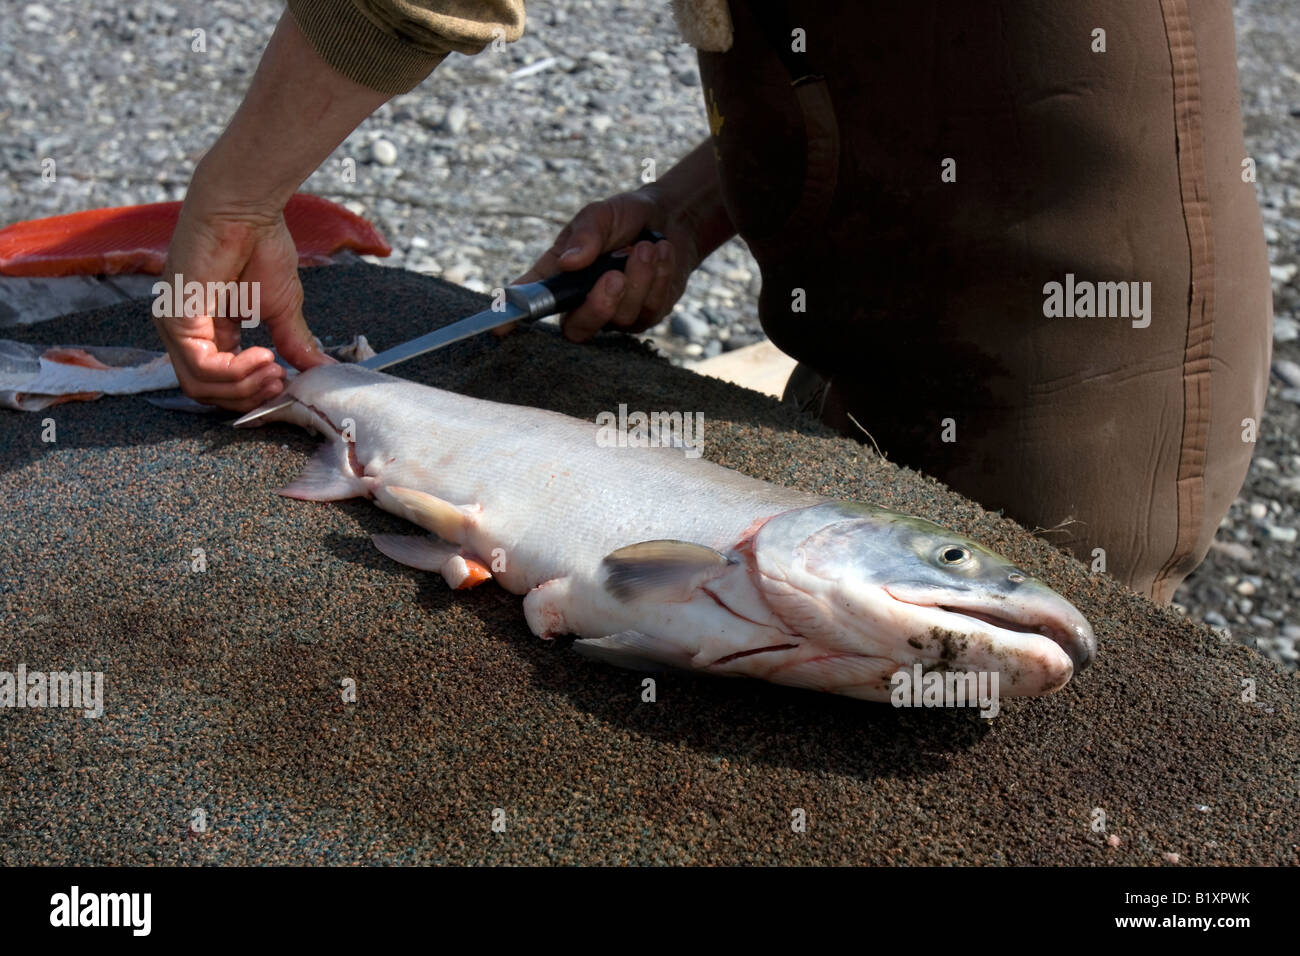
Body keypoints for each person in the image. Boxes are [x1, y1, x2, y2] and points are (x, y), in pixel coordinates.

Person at [156, 1, 1272, 603]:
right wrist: (685, 209)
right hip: (858, 348)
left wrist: (236, 198)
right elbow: (856, 59)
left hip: (1071, 373)